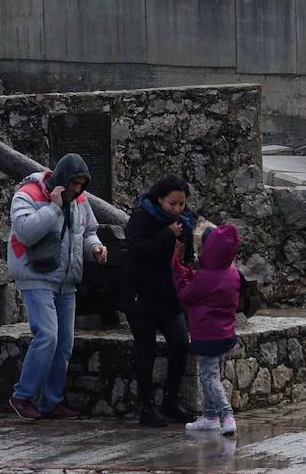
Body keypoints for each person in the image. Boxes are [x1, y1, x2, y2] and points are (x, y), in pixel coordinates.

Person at [7, 153, 108, 422]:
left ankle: (51, 402)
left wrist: (95, 247)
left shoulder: (81, 200)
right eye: (73, 184)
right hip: (35, 275)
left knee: (64, 344)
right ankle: (22, 396)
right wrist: (53, 208)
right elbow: (25, 231)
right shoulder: (27, 194)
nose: (77, 190)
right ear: (62, 180)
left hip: (66, 280)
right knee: (47, 336)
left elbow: (88, 231)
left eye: (81, 185)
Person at [121, 175, 197, 427]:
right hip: (141, 296)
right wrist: (166, 235)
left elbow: (186, 257)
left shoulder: (183, 222)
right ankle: (146, 406)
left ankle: (170, 401)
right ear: (159, 199)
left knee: (179, 343)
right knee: (146, 350)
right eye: (172, 204)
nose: (177, 209)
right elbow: (137, 249)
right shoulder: (141, 218)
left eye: (181, 205)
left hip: (169, 295)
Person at [173, 223, 242, 437]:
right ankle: (209, 417)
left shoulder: (205, 276)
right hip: (225, 334)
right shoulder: (232, 273)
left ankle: (226, 415)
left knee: (208, 379)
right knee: (215, 375)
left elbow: (186, 294)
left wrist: (177, 270)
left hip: (207, 335)